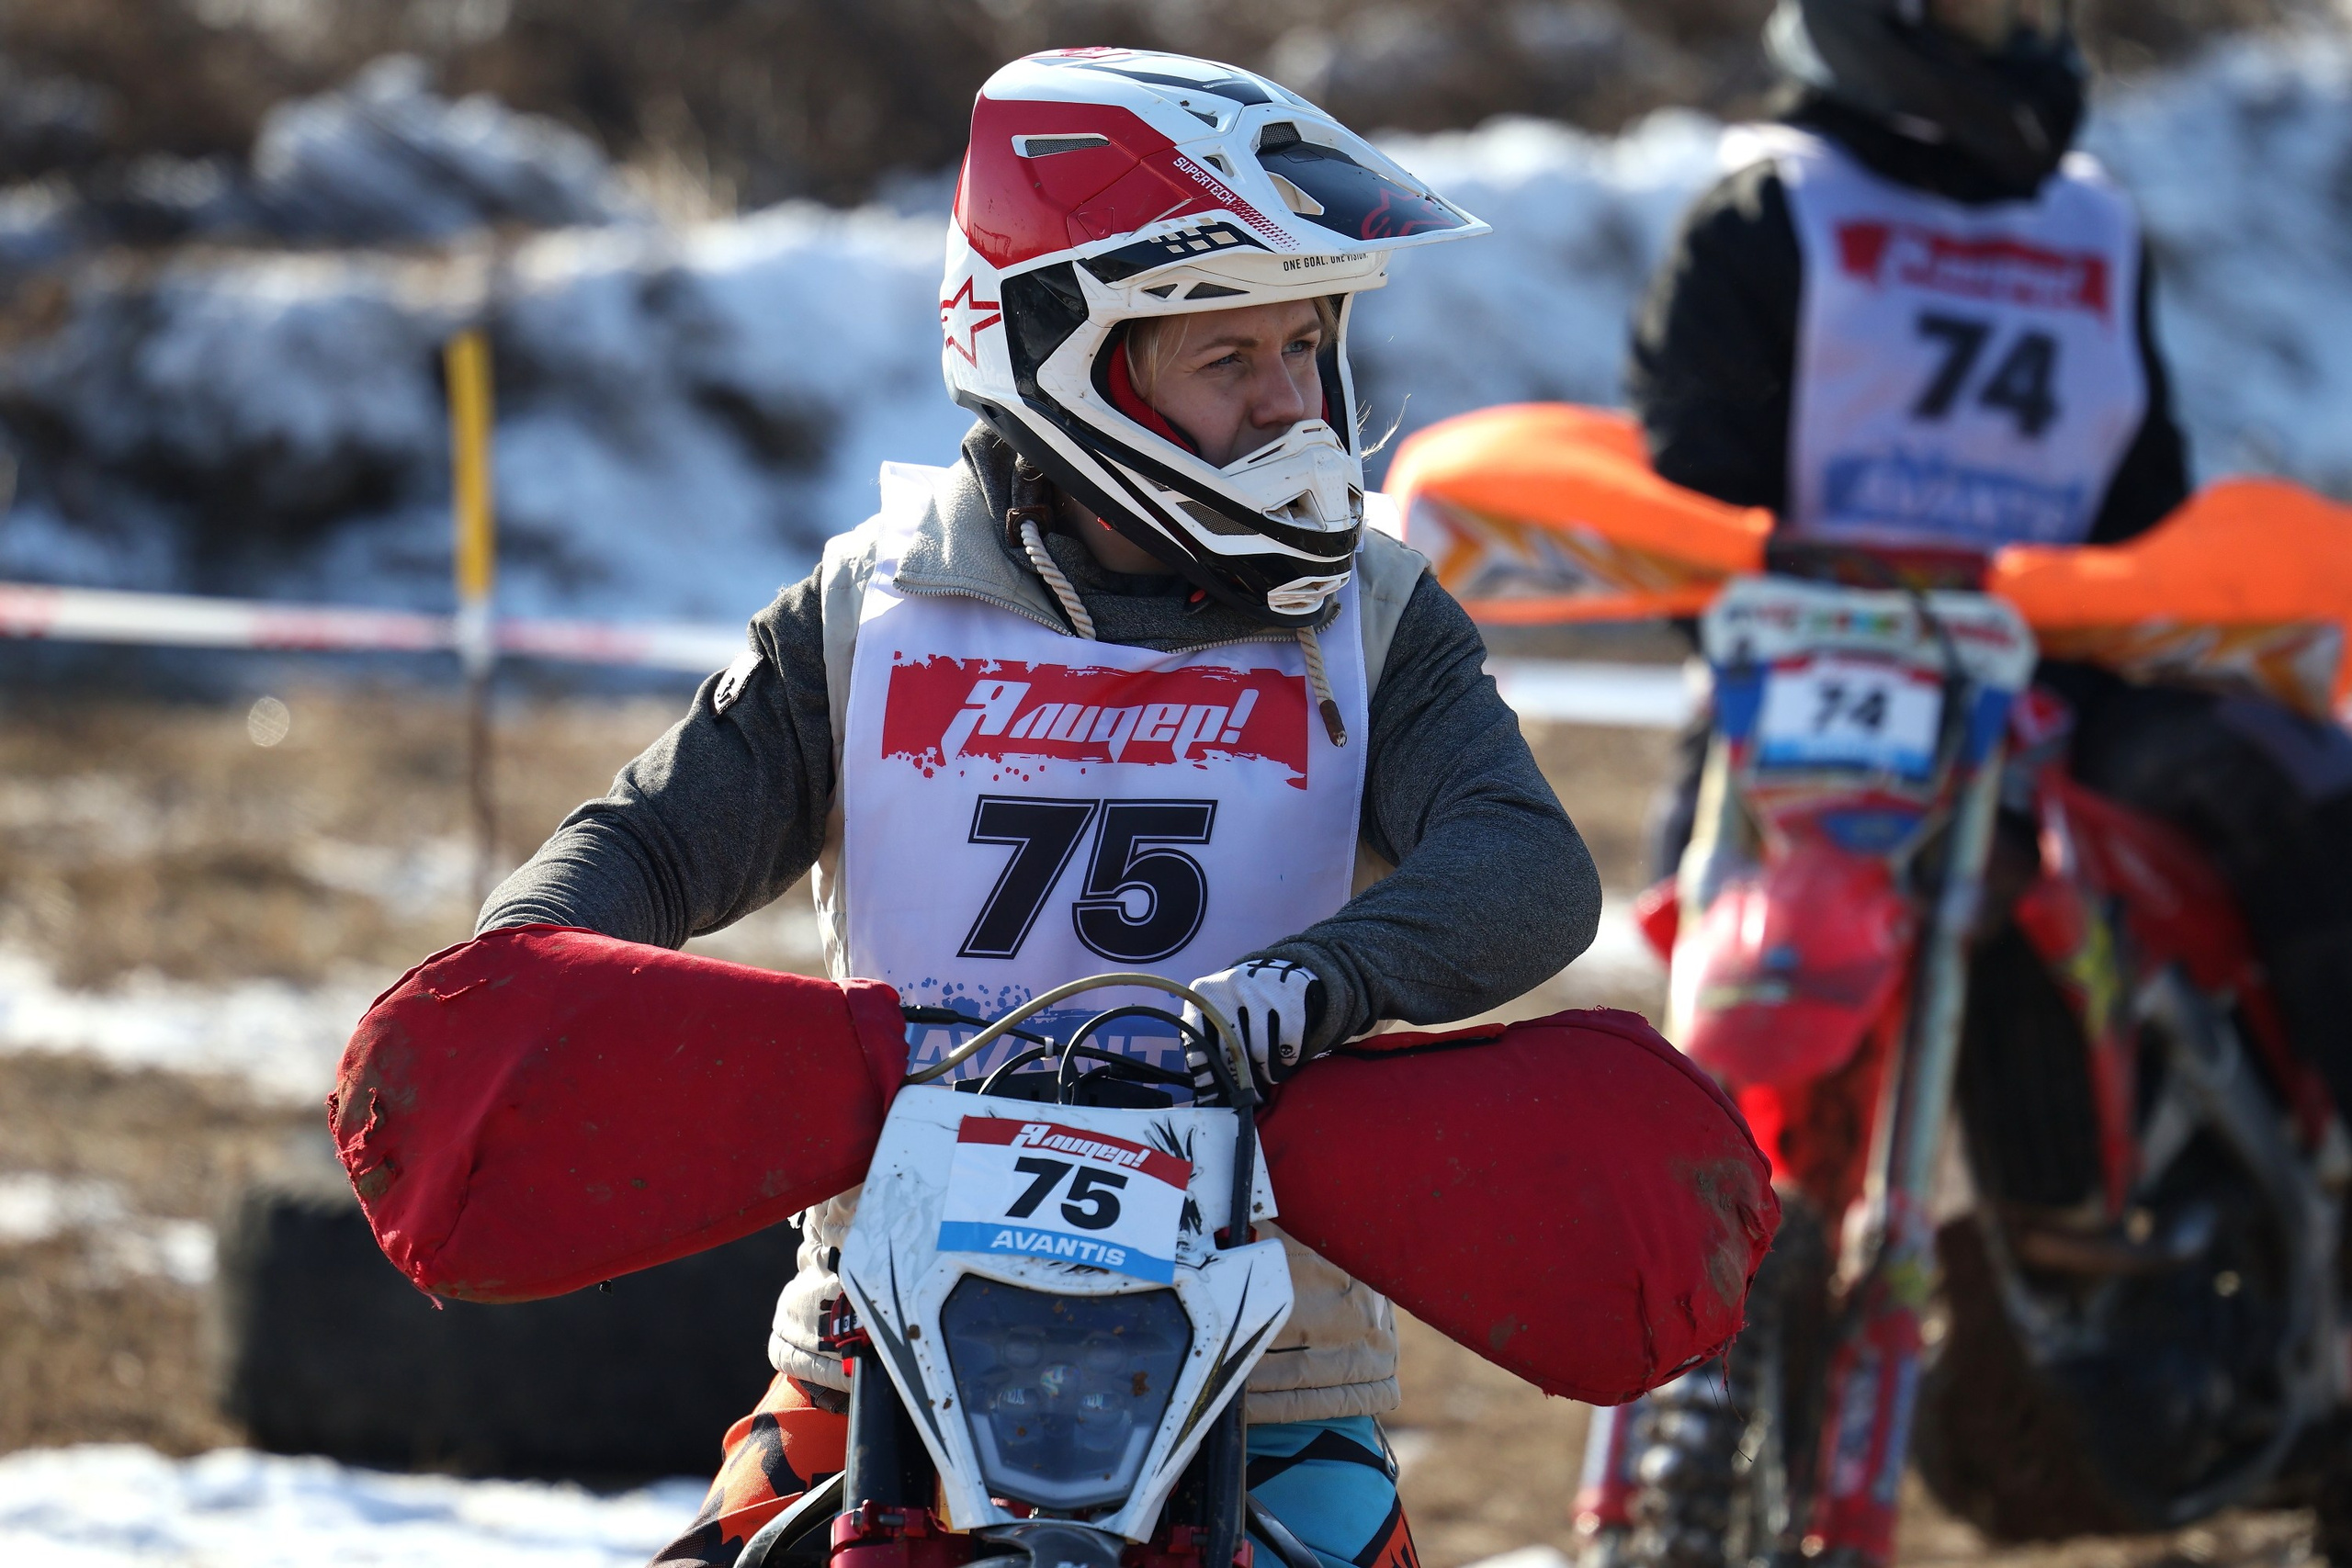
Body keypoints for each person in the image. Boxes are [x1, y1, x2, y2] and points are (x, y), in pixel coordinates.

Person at [477, 48, 1602, 1568]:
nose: (1294, 406)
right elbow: (653, 843)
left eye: (1306, 346)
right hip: (872, 1356)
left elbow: (1525, 862)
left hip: (1269, 1378)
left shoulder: (1377, 615)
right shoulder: (872, 605)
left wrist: (1320, 982)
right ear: (1065, 353)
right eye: (1231, 360)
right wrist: (522, 977)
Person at [1628, 0, 2352, 1101]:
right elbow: (1691, 501)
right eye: (1985, 7)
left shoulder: (2092, 226)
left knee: (2296, 784)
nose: (2019, 30)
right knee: (1690, 989)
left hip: (2057, 684)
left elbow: (2141, 509)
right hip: (1801, 696)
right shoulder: (1767, 212)